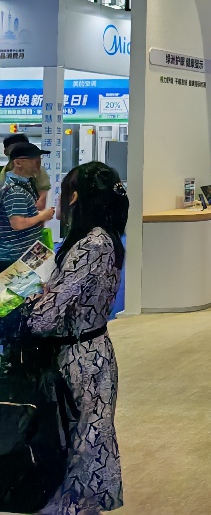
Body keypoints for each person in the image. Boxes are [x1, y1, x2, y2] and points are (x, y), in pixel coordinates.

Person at [26, 162, 126, 515]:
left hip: (80, 360)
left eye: (65, 191)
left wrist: (27, 301)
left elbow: (45, 317)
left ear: (76, 197)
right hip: (88, 352)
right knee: (85, 440)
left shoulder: (91, 245)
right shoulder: (100, 239)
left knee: (80, 447)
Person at [0, 140, 54, 271]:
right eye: (34, 160)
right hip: (16, 257)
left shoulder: (24, 184)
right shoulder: (15, 191)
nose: (38, 163)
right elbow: (18, 224)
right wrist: (42, 216)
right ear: (18, 163)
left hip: (29, 251)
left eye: (39, 159)